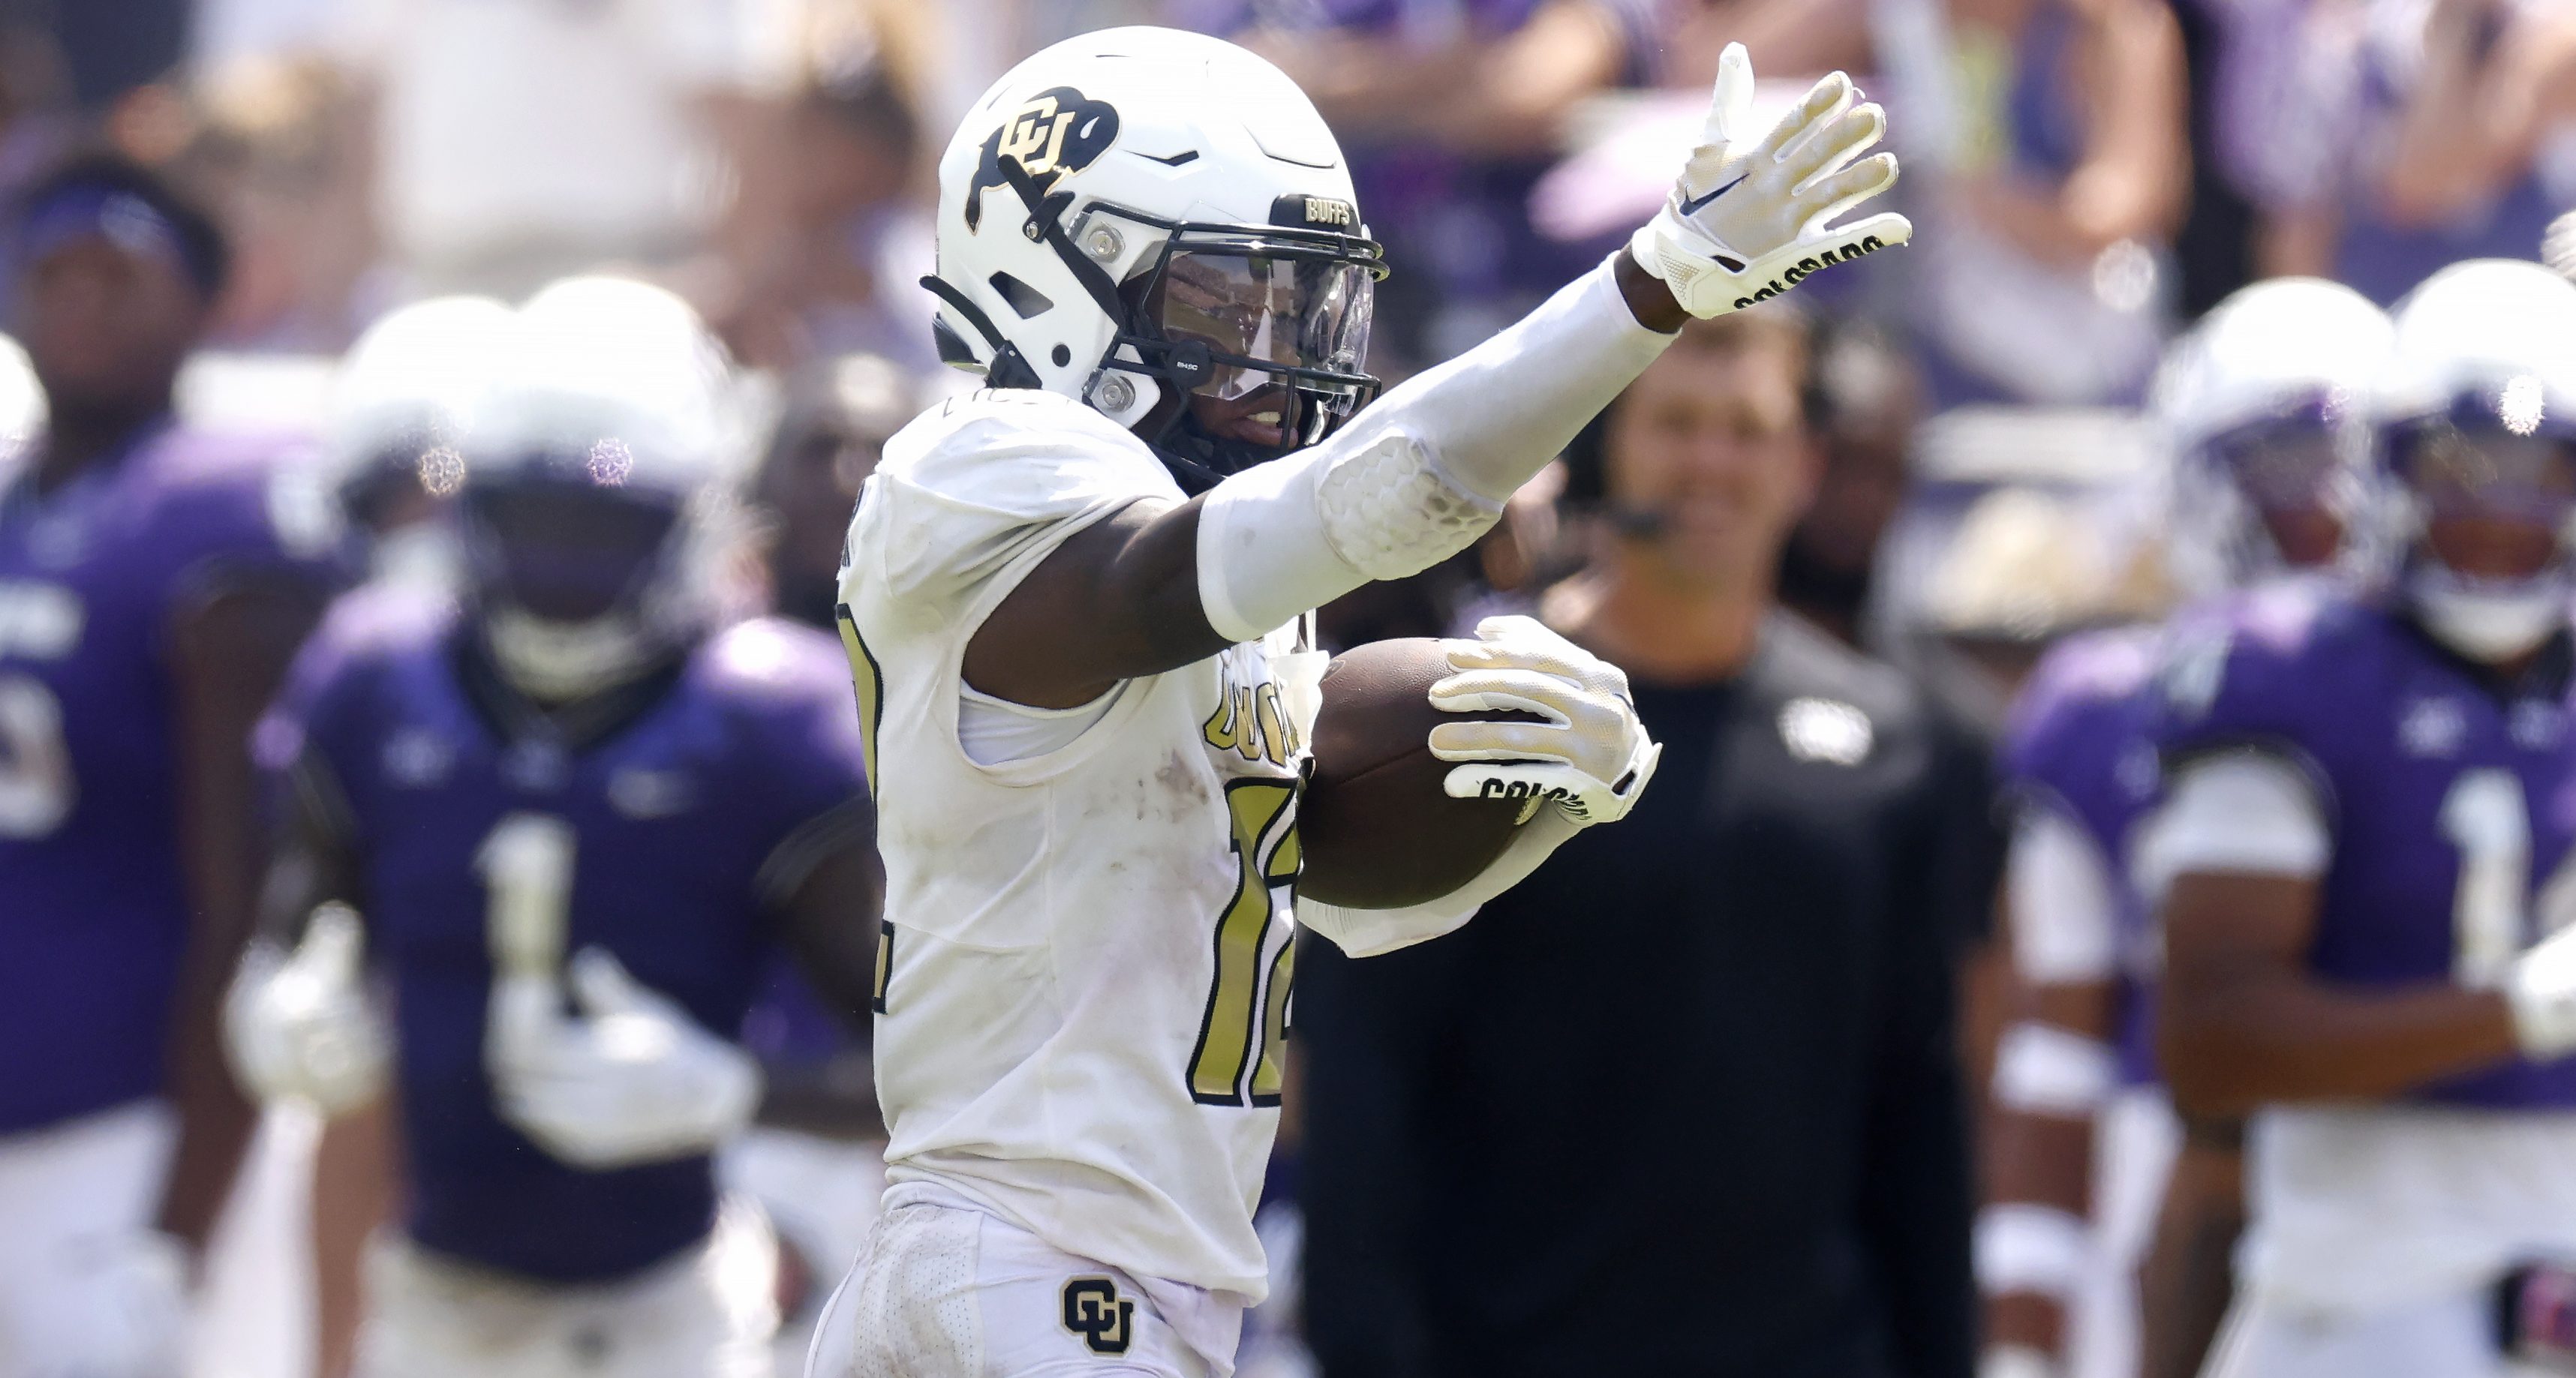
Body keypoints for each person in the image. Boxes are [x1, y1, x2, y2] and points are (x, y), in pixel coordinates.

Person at [808, 24, 1908, 1378]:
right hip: (1033, 1266)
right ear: (1051, 270)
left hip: (1073, 1268)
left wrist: (1537, 786)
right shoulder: (987, 470)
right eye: (1226, 308)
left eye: (1302, 309)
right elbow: (1377, 494)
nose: (1278, 363)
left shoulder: (1203, 585)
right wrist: (1654, 285)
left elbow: (1299, 878)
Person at [1297, 302, 1979, 1378]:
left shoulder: (1891, 745)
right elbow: (1364, 1089)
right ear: (1603, 445)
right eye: (1674, 422)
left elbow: (1914, 1109)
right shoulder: (1469, 724)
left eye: (1745, 427)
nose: (1709, 462)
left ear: (1805, 462)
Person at [221, 278, 884, 1378]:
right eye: (532, 524)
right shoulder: (375, 677)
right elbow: (305, 909)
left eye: (602, 531)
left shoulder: (771, 718)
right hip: (428, 1302)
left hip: (675, 1308)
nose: (560, 572)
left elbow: (914, 1070)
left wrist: (729, 1090)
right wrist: (280, 987)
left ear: (694, 519)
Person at [2151, 259, 2576, 1378]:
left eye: (2540, 475)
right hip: (2361, 1322)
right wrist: (2522, 1009)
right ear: (2384, 471)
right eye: (2460, 470)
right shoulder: (2291, 669)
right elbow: (2211, 1044)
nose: (2498, 514)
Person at [1977, 277, 2393, 1378]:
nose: (2318, 510)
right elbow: (2053, 1056)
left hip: (2406, 1173)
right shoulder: (2105, 705)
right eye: (2276, 470)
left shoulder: (2495, 708)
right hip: (2155, 1184)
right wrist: (2024, 1343)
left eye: (2347, 468)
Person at [0, 153, 345, 1378]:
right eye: (52, 273)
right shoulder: (14, 500)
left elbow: (244, 888)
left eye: (119, 274)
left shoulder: (216, 510)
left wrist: (181, 1227)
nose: (81, 302)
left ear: (202, 302)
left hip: (123, 1127)